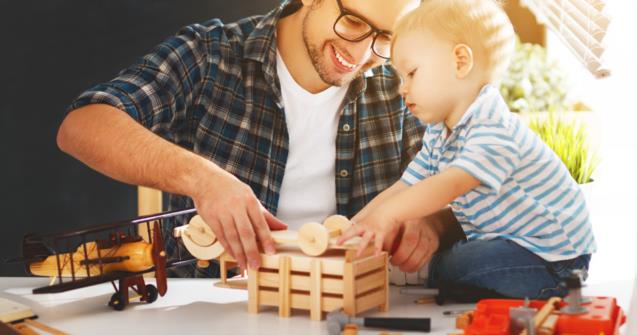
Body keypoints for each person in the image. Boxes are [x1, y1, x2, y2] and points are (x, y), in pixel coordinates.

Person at [57, 0, 461, 277]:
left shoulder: (400, 84)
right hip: (216, 302)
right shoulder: (211, 55)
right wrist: (202, 179)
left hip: (357, 307)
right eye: (353, 22)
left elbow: (470, 177)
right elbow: (83, 126)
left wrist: (434, 222)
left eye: (385, 38)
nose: (361, 54)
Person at [339, 0, 595, 299]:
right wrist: (354, 227)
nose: (402, 88)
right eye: (399, 77)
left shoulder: (492, 127)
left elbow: (452, 183)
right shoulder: (440, 132)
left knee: (455, 266)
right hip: (511, 244)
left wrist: (389, 216)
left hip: (553, 258)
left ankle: (539, 287)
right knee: (460, 260)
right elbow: (406, 184)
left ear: (460, 61)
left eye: (411, 73)